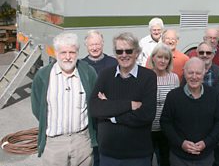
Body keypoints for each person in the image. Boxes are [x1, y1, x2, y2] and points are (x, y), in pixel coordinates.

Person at [89, 32, 157, 166]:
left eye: (128, 51)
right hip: (109, 155)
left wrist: (111, 113)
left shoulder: (148, 77)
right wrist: (130, 105)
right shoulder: (105, 75)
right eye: (119, 51)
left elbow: (147, 114)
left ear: (137, 53)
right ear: (115, 54)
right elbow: (95, 108)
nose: (124, 55)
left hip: (138, 155)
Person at [31, 32, 97, 166]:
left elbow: (95, 103)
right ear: (56, 53)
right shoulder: (43, 76)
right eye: (63, 52)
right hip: (54, 144)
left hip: (82, 141)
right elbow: (38, 108)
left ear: (77, 52)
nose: (68, 57)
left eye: (72, 52)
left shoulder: (88, 72)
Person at [160, 57, 219, 166]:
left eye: (198, 73)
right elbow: (165, 123)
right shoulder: (173, 96)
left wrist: (206, 142)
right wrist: (181, 143)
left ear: (204, 73)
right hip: (179, 157)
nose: (194, 77)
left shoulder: (214, 95)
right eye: (190, 73)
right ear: (184, 73)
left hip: (206, 157)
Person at [81, 30, 117, 166]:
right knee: (93, 152)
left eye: (97, 44)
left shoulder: (113, 63)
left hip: (110, 116)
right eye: (91, 45)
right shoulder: (81, 65)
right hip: (89, 117)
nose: (95, 48)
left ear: (102, 44)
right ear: (86, 46)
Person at [149, 43, 180, 166]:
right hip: (149, 128)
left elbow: (176, 105)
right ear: (153, 58)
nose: (162, 61)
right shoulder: (146, 76)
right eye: (159, 57)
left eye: (166, 58)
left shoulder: (174, 78)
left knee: (165, 160)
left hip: (167, 129)